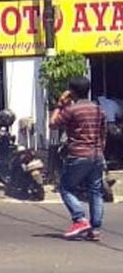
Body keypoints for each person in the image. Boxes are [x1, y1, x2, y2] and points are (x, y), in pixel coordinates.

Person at [49, 76, 107, 241]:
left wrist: (59, 105)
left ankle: (79, 218)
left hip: (78, 155)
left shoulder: (72, 110)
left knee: (66, 188)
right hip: (97, 155)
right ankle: (95, 229)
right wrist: (100, 151)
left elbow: (53, 124)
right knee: (95, 191)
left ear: (72, 92)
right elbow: (103, 133)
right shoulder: (98, 109)